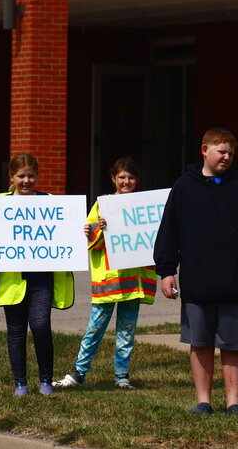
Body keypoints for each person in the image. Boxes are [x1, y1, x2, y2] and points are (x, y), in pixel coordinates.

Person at [154, 127, 238, 415]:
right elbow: (169, 232)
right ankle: (203, 401)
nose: (227, 157)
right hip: (197, 283)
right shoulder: (184, 186)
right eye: (221, 151)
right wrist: (167, 271)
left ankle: (234, 402)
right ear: (205, 150)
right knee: (200, 342)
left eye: (230, 152)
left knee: (233, 345)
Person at [0, 154, 75, 397]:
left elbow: (65, 230)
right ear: (11, 177)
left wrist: (82, 228)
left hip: (42, 279)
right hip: (11, 280)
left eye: (31, 176)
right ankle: (20, 384)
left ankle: (46, 380)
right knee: (16, 331)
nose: (26, 181)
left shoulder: (49, 201)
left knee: (40, 326)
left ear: (37, 176)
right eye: (21, 176)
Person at [53, 157, 157, 390]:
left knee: (126, 332)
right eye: (121, 177)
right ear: (113, 178)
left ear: (137, 180)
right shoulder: (102, 205)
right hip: (109, 280)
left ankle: (121, 376)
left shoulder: (145, 207)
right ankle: (79, 372)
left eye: (130, 177)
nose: (126, 181)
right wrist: (96, 229)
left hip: (133, 281)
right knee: (95, 327)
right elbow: (90, 242)